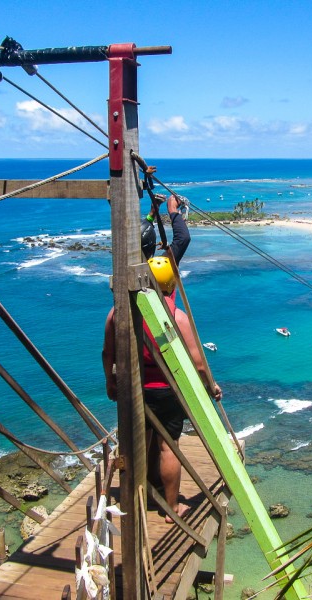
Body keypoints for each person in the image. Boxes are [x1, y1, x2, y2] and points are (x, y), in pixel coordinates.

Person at [102, 256, 222, 523]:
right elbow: (199, 363)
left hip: (133, 388)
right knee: (168, 447)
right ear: (171, 286)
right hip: (167, 389)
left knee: (135, 444)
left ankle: (135, 498)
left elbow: (107, 353)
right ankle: (171, 507)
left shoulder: (118, 313)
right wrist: (210, 386)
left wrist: (110, 382)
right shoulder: (177, 317)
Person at [141, 192, 191, 264]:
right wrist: (172, 208)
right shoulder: (159, 268)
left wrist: (153, 212)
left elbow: (143, 230)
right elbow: (183, 238)